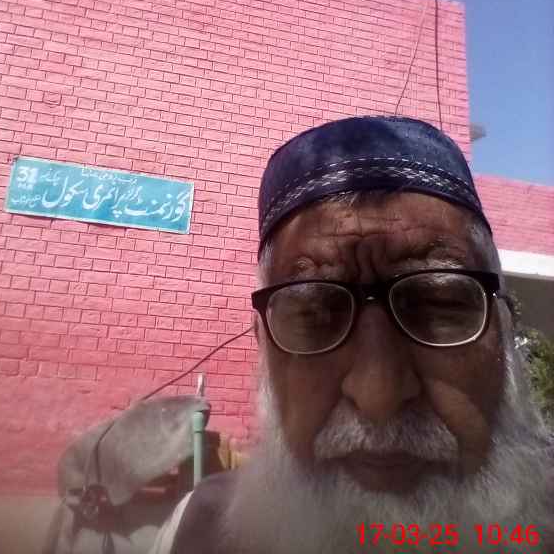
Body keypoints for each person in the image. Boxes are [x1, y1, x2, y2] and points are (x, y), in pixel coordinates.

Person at [166, 116, 554, 554]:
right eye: (314, 315)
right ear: (263, 343)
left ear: (504, 329)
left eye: (438, 306)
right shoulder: (192, 532)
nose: (378, 397)